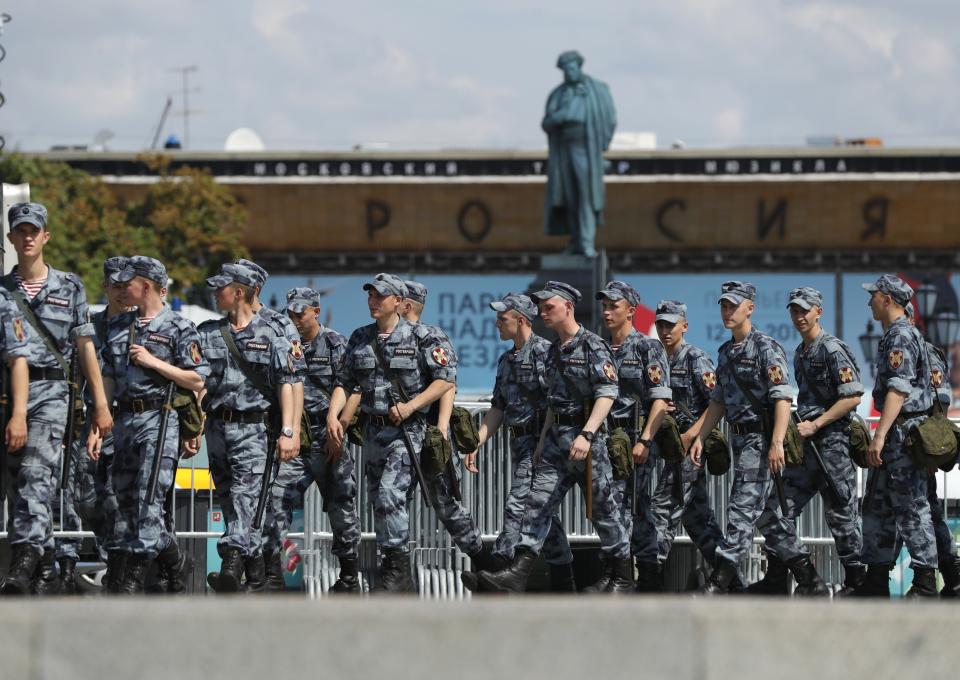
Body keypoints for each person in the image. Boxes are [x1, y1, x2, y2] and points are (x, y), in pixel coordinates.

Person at [477, 281, 633, 593]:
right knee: (535, 505)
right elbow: (552, 401)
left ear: (568, 308)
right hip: (554, 444)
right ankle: (517, 573)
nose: (544, 312)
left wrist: (587, 434)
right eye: (542, 307)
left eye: (550, 307)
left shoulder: (592, 345)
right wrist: (542, 440)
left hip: (586, 443)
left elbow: (607, 394)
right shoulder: (553, 352)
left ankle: (623, 577)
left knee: (603, 511)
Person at [0, 201, 113, 596]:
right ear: (12, 238)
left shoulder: (69, 286)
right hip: (8, 393)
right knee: (24, 485)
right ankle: (45, 564)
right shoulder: (2, 290)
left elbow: (85, 347)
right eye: (21, 231)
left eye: (34, 231)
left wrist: (99, 403)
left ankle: (24, 561)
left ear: (45, 236)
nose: (28, 237)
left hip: (52, 394)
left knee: (35, 472)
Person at [689, 281, 828, 596]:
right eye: (724, 305)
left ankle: (719, 581)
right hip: (740, 442)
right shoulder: (726, 352)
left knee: (740, 509)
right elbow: (718, 402)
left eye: (733, 306)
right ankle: (810, 580)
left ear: (749, 308)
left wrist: (777, 442)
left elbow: (781, 399)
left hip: (761, 442)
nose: (727, 311)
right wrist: (700, 435)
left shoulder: (766, 347)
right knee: (769, 518)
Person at [325, 274, 460, 593]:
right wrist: (334, 416)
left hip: (406, 433)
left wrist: (413, 407)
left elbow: (445, 379)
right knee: (380, 504)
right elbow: (346, 382)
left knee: (390, 495)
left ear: (399, 302)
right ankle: (401, 577)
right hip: (373, 434)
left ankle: (396, 568)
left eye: (380, 296)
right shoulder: (359, 337)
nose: (373, 301)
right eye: (370, 295)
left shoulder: (423, 335)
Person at [92, 256, 207, 594]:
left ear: (145, 285)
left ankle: (132, 578)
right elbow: (109, 375)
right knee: (125, 502)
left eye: (128, 282)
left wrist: (154, 361)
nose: (122, 288)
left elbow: (196, 378)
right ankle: (174, 560)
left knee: (149, 499)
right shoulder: (119, 326)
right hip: (124, 420)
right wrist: (101, 422)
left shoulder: (179, 327)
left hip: (160, 419)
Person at [746, 287, 864, 596]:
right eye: (794, 311)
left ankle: (858, 584)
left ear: (818, 312)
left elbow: (852, 395)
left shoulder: (832, 349)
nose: (799, 316)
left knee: (842, 517)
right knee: (773, 511)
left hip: (832, 445)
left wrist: (818, 423)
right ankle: (796, 579)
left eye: (804, 310)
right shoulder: (800, 352)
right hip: (806, 449)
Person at [461, 293, 574, 593]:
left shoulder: (546, 353)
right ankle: (565, 582)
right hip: (519, 444)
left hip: (542, 444)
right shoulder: (506, 360)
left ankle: (499, 569)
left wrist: (543, 444)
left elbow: (556, 402)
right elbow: (497, 408)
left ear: (521, 320)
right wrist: (477, 443)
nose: (497, 323)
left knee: (518, 506)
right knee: (543, 515)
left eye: (502, 318)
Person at [197, 261, 298, 593]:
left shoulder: (272, 332)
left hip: (254, 430)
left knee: (245, 499)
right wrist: (194, 428)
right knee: (230, 501)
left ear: (238, 292)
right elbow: (199, 384)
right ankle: (256, 579)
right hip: (217, 431)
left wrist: (289, 431)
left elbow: (289, 382)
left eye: (221, 287)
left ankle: (231, 564)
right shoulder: (208, 333)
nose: (215, 292)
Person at [397, 281, 492, 576]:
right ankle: (398, 572)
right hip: (397, 436)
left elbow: (447, 382)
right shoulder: (384, 338)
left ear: (407, 305)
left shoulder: (430, 336)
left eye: (397, 299)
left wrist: (441, 428)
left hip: (426, 434)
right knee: (392, 500)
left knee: (446, 504)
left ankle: (484, 563)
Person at [851, 275, 938, 598]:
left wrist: (880, 435)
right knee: (878, 509)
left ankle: (926, 583)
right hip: (896, 436)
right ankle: (875, 580)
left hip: (901, 435)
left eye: (873, 296)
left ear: (888, 299)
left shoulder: (900, 337)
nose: (869, 301)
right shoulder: (895, 335)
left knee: (911, 508)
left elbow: (898, 390)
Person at [271, 287, 362, 593]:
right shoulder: (284, 344)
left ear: (315, 311)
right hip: (295, 438)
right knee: (276, 500)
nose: (295, 318)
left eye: (301, 312)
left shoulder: (335, 343)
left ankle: (349, 576)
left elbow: (351, 388)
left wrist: (340, 426)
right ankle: (273, 574)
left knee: (341, 507)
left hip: (327, 439)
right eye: (291, 312)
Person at [55, 257, 132, 594]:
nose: (121, 291)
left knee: (118, 500)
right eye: (115, 285)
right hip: (88, 424)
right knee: (78, 497)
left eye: (126, 284)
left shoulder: (142, 327)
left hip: (128, 425)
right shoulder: (91, 326)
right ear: (105, 286)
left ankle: (116, 567)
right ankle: (66, 563)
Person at [589, 281, 671, 593]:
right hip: (606, 441)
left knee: (619, 506)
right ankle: (649, 574)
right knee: (636, 509)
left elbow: (661, 400)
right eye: (605, 306)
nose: (607, 312)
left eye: (614, 306)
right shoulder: (599, 348)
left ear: (631, 311)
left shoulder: (647, 348)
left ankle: (619, 576)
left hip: (635, 440)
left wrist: (646, 441)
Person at [649, 300, 727, 587]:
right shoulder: (656, 358)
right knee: (697, 521)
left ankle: (648, 578)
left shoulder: (696, 358)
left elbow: (716, 403)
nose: (665, 330)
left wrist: (693, 435)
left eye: (671, 324)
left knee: (663, 508)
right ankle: (733, 580)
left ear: (685, 326)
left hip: (689, 448)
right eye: (660, 324)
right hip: (667, 446)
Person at [887, 302, 960, 598]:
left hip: (917, 445)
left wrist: (931, 449)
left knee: (920, 510)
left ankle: (938, 578)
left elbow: (941, 398)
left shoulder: (925, 351)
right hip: (905, 443)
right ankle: (951, 577)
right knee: (924, 509)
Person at [542, 50, 616, 257]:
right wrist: (560, 117)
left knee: (586, 196)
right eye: (564, 70)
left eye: (571, 69)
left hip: (587, 148)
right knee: (569, 197)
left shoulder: (598, 90)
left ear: (579, 66)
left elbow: (610, 119)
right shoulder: (558, 95)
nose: (568, 73)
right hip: (564, 149)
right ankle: (575, 241)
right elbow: (546, 123)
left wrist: (602, 146)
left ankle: (586, 242)